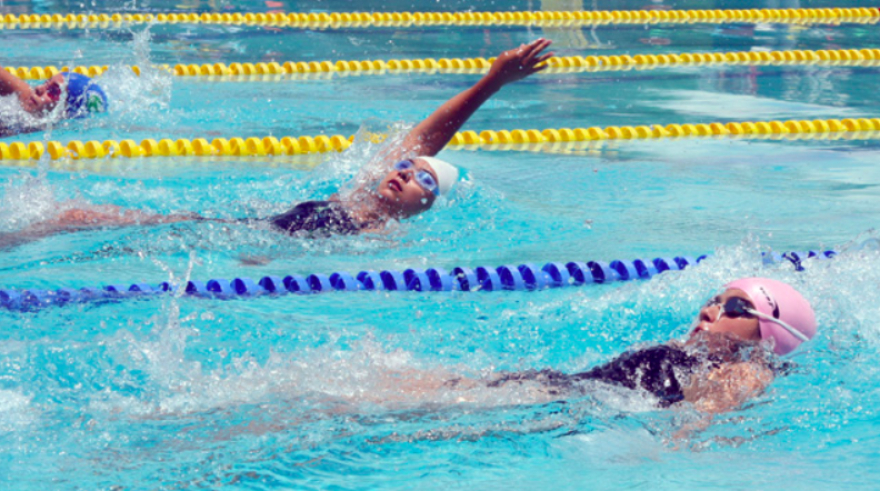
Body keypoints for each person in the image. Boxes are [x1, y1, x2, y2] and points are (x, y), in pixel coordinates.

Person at [3, 39, 554, 244]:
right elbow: (423, 138)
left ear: (428, 206)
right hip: (228, 229)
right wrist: (491, 81)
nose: (408, 172)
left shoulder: (385, 239)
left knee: (76, 216)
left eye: (422, 181)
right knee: (74, 214)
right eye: (410, 167)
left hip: (239, 246)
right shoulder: (359, 196)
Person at [390, 278, 817, 415]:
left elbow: (705, 415)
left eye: (736, 306)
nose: (711, 308)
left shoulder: (751, 369)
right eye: (714, 298)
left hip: (559, 405)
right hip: (560, 391)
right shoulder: (689, 352)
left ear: (768, 338)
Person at [0, 69, 108, 136]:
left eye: (53, 91)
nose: (39, 88)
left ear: (67, 110)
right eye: (46, 82)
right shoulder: (26, 95)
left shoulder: (39, 131)